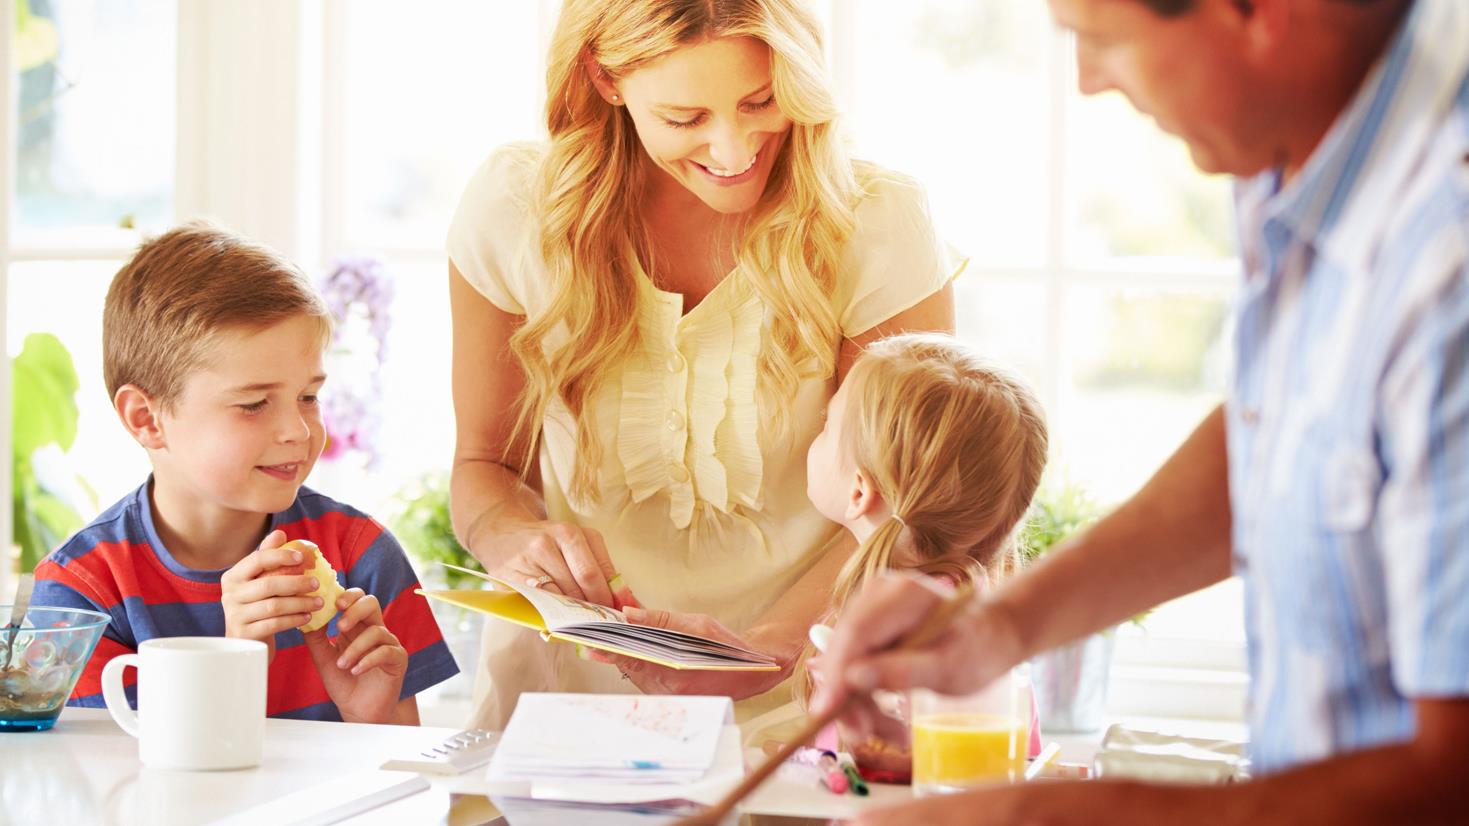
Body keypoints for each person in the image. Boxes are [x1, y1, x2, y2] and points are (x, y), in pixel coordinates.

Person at [812, 0, 1469, 823]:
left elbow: (1453, 779)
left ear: (1261, 14)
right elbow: (1281, 432)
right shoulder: (1295, 145)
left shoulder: (1447, 257)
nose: (1086, 81)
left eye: (1104, 40)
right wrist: (995, 626)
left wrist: (1043, 814)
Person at [447, 0, 958, 728]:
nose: (732, 147)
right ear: (604, 77)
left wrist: (765, 653)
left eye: (760, 100)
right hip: (557, 706)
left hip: (807, 703)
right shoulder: (515, 210)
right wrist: (510, 537)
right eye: (685, 118)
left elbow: (908, 509)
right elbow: (483, 463)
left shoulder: (873, 223)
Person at [33, 223, 458, 724]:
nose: (298, 431)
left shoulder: (361, 556)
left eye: (308, 396)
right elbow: (112, 792)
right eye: (254, 404)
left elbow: (403, 784)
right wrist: (232, 670)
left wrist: (371, 718)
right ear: (147, 420)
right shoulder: (81, 593)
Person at [796, 332, 1047, 775]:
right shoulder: (972, 617)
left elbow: (870, 775)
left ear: (859, 490)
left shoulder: (908, 636)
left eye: (825, 426)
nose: (813, 440)